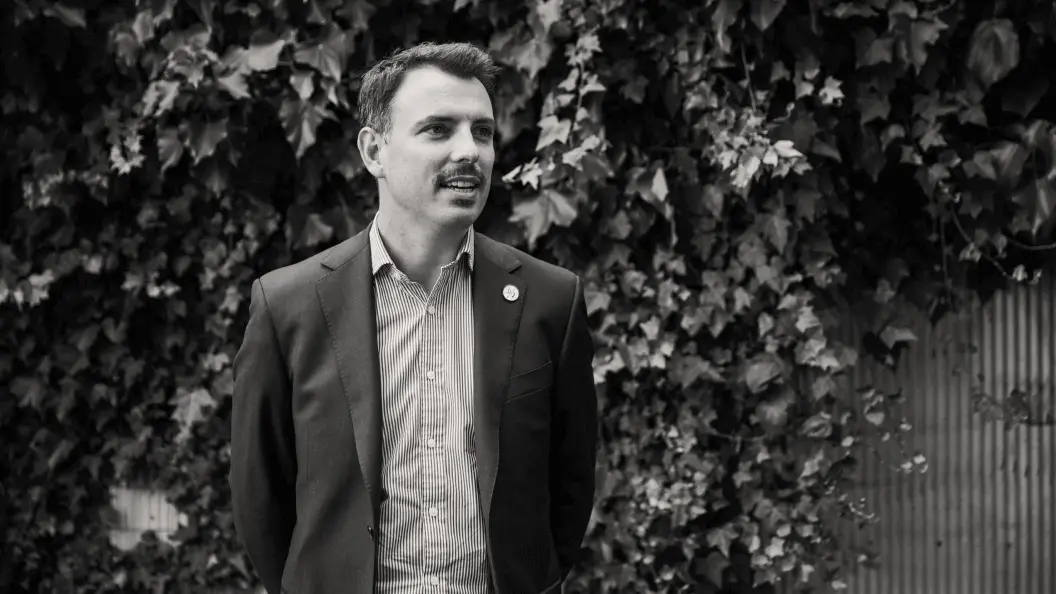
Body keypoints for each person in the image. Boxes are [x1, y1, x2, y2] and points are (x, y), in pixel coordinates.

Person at [229, 41, 598, 594]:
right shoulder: (289, 307)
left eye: (483, 131)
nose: (468, 151)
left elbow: (569, 488)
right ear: (374, 151)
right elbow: (262, 501)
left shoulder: (551, 300)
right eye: (437, 129)